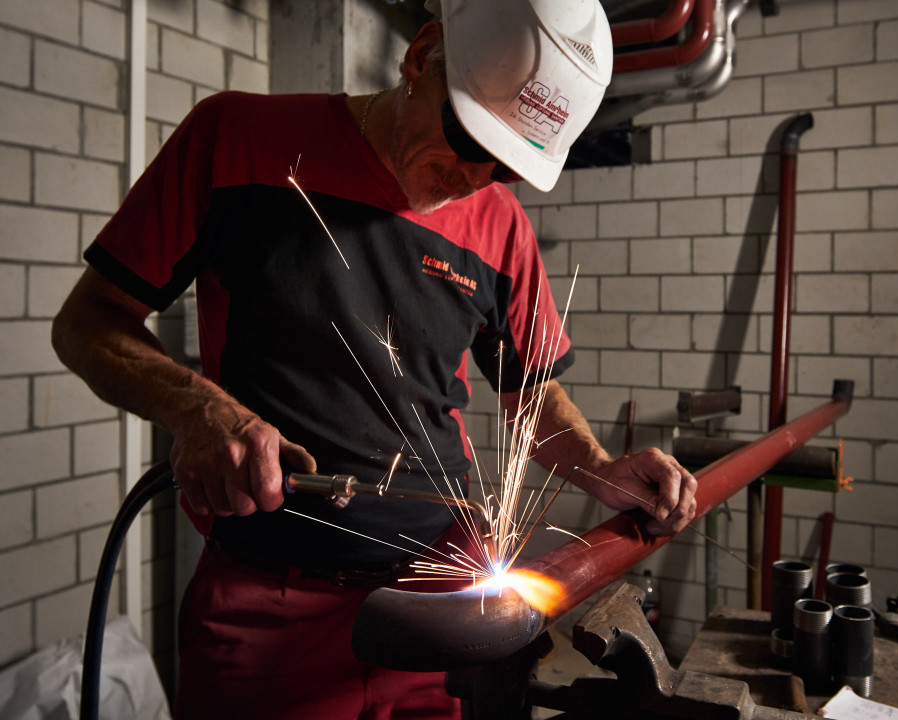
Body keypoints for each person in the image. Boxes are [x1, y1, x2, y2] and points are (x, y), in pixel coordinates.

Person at [52, 0, 698, 717]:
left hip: (441, 597)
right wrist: (199, 409)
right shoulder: (236, 140)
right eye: (468, 137)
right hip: (270, 611)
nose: (472, 176)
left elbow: (533, 398)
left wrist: (601, 467)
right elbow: (88, 322)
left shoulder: (501, 227)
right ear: (422, 56)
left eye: (506, 166)